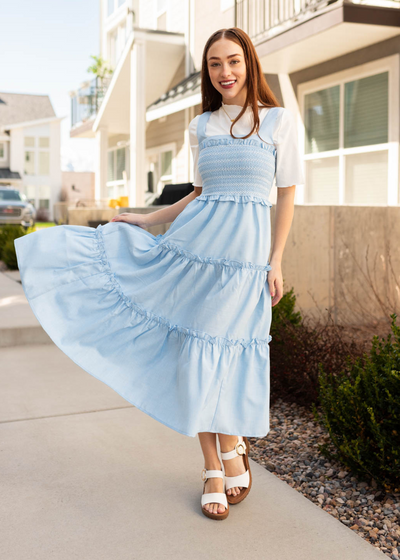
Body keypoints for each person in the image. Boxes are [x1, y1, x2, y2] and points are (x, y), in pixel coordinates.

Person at [14, 27, 304, 522]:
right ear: (208, 72)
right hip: (196, 251)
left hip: (246, 262)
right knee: (197, 350)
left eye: (233, 61)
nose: (225, 72)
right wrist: (147, 221)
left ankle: (233, 445)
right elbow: (199, 192)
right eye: (214, 63)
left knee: (229, 353)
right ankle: (215, 463)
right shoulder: (203, 126)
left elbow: (288, 195)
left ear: (249, 63)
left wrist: (276, 261)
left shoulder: (278, 122)